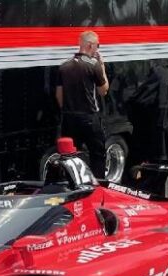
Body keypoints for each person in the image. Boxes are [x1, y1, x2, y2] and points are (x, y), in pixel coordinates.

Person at [55, 30, 109, 179]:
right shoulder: (93, 65)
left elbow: (59, 95)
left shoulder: (64, 66)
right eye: (98, 45)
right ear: (90, 45)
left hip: (69, 119)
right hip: (89, 118)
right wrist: (102, 66)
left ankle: (73, 184)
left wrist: (67, 110)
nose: (97, 49)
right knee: (98, 154)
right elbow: (104, 90)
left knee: (70, 155)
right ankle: (98, 186)